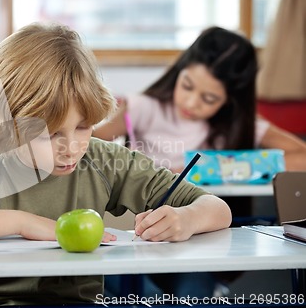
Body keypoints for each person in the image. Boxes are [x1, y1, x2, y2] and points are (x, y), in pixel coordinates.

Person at [0, 22, 232, 306]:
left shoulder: (103, 160)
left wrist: (185, 219)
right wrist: (22, 223)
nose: (71, 148)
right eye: (50, 135)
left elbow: (216, 208)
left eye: (83, 127)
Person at [93, 26, 306, 297]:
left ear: (230, 100)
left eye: (209, 98)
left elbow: (302, 157)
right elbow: (91, 142)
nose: (192, 102)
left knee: (193, 291)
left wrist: (219, 166)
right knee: (118, 281)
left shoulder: (237, 126)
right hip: (138, 237)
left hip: (197, 237)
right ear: (178, 70)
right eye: (187, 86)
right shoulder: (143, 107)